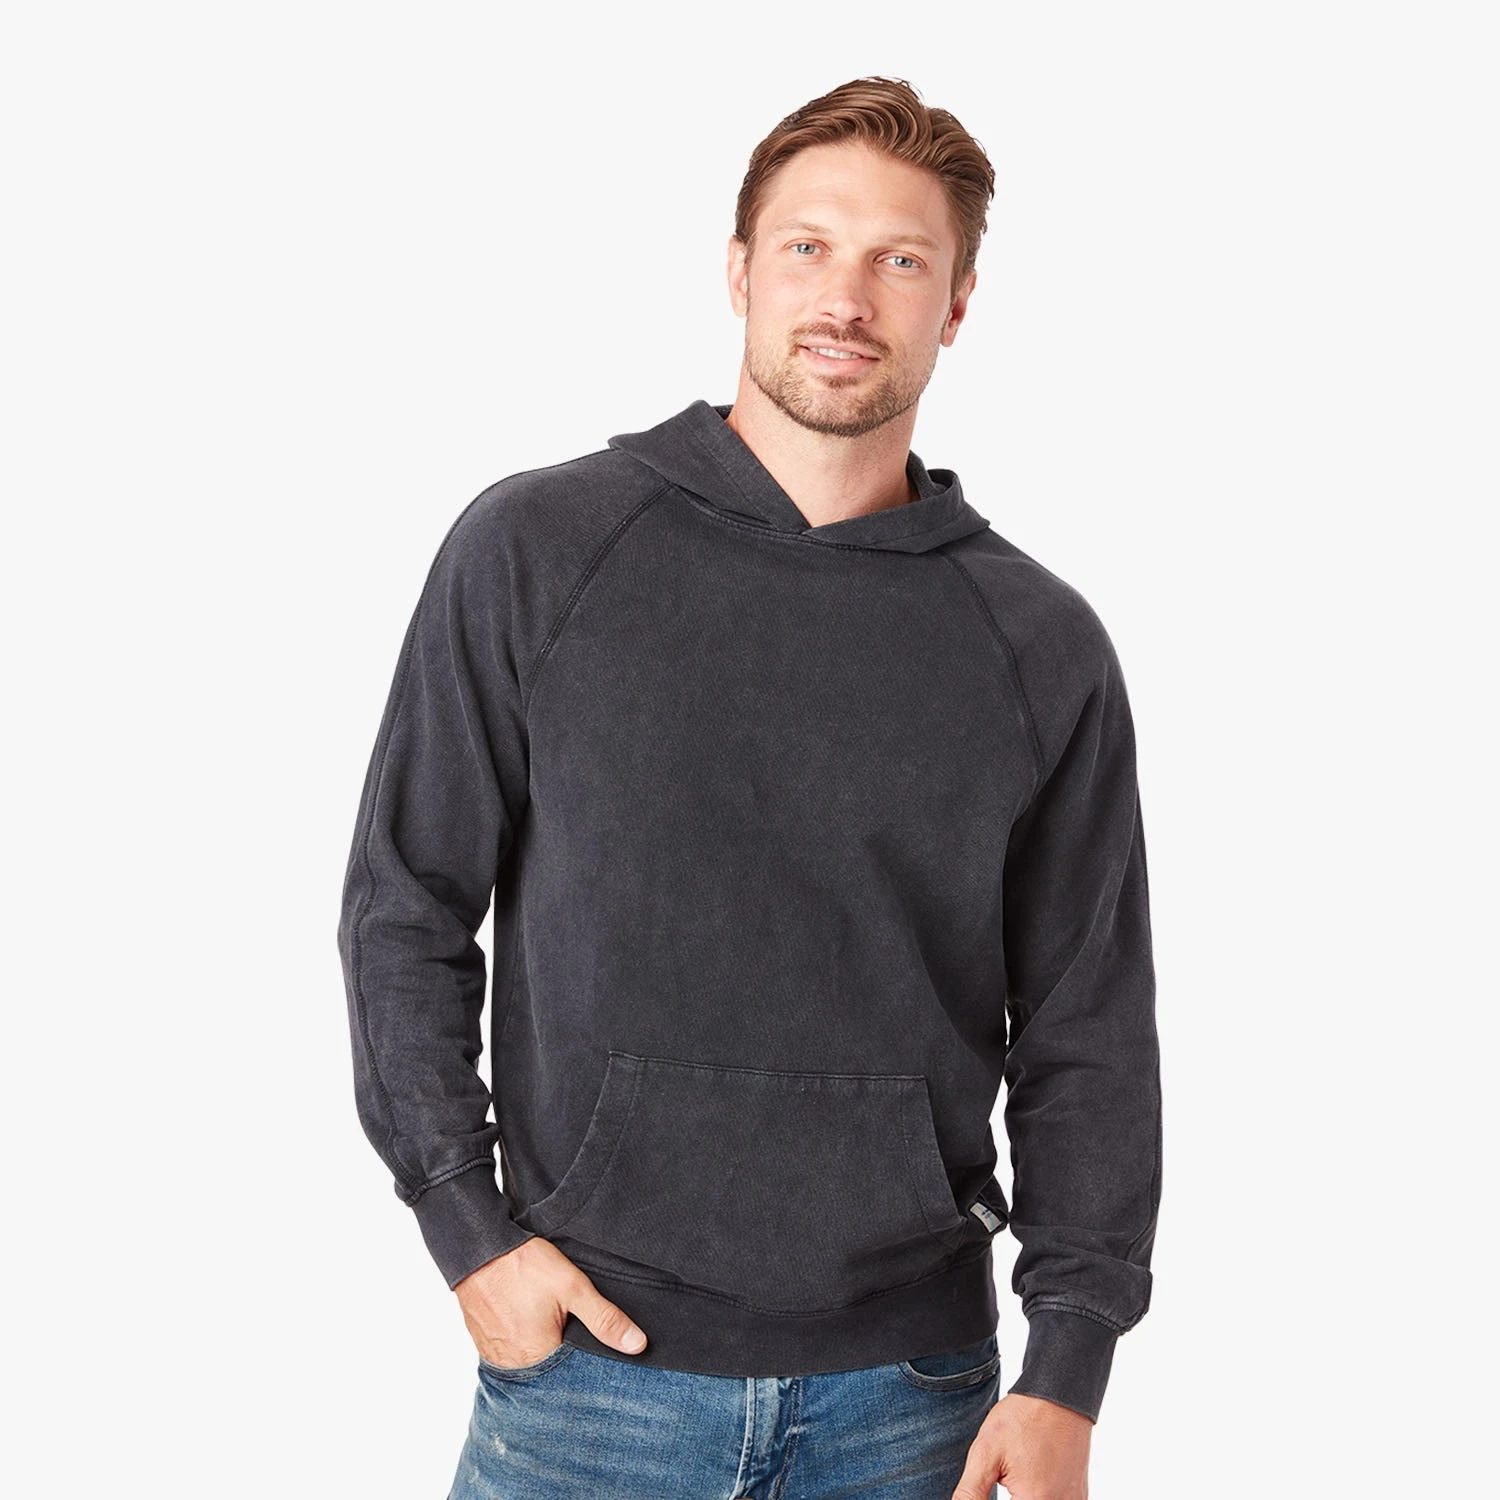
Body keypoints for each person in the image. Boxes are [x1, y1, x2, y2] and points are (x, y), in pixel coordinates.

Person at [337, 75, 1161, 1500]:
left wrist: (1069, 1372)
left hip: (913, 1403)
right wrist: (466, 1231)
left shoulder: (1038, 645)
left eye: (899, 259)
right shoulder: (539, 551)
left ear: (957, 303)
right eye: (808, 247)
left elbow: (1087, 1029)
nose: (846, 297)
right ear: (738, 270)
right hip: (587, 1386)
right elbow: (403, 908)